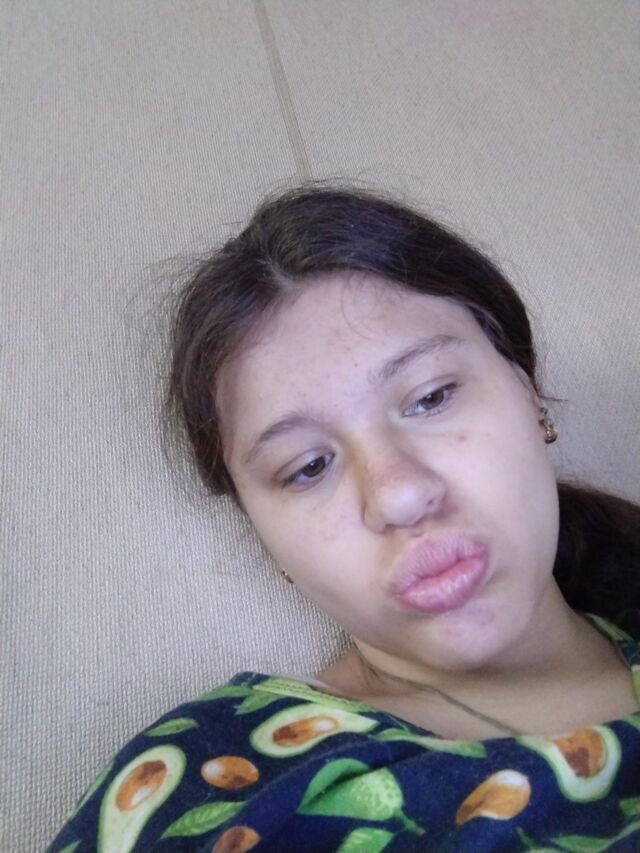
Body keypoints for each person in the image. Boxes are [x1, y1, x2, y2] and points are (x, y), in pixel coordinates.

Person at [48, 182, 640, 852]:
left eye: (431, 397)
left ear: (529, 394)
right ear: (268, 541)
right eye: (308, 467)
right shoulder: (218, 785)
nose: (398, 496)